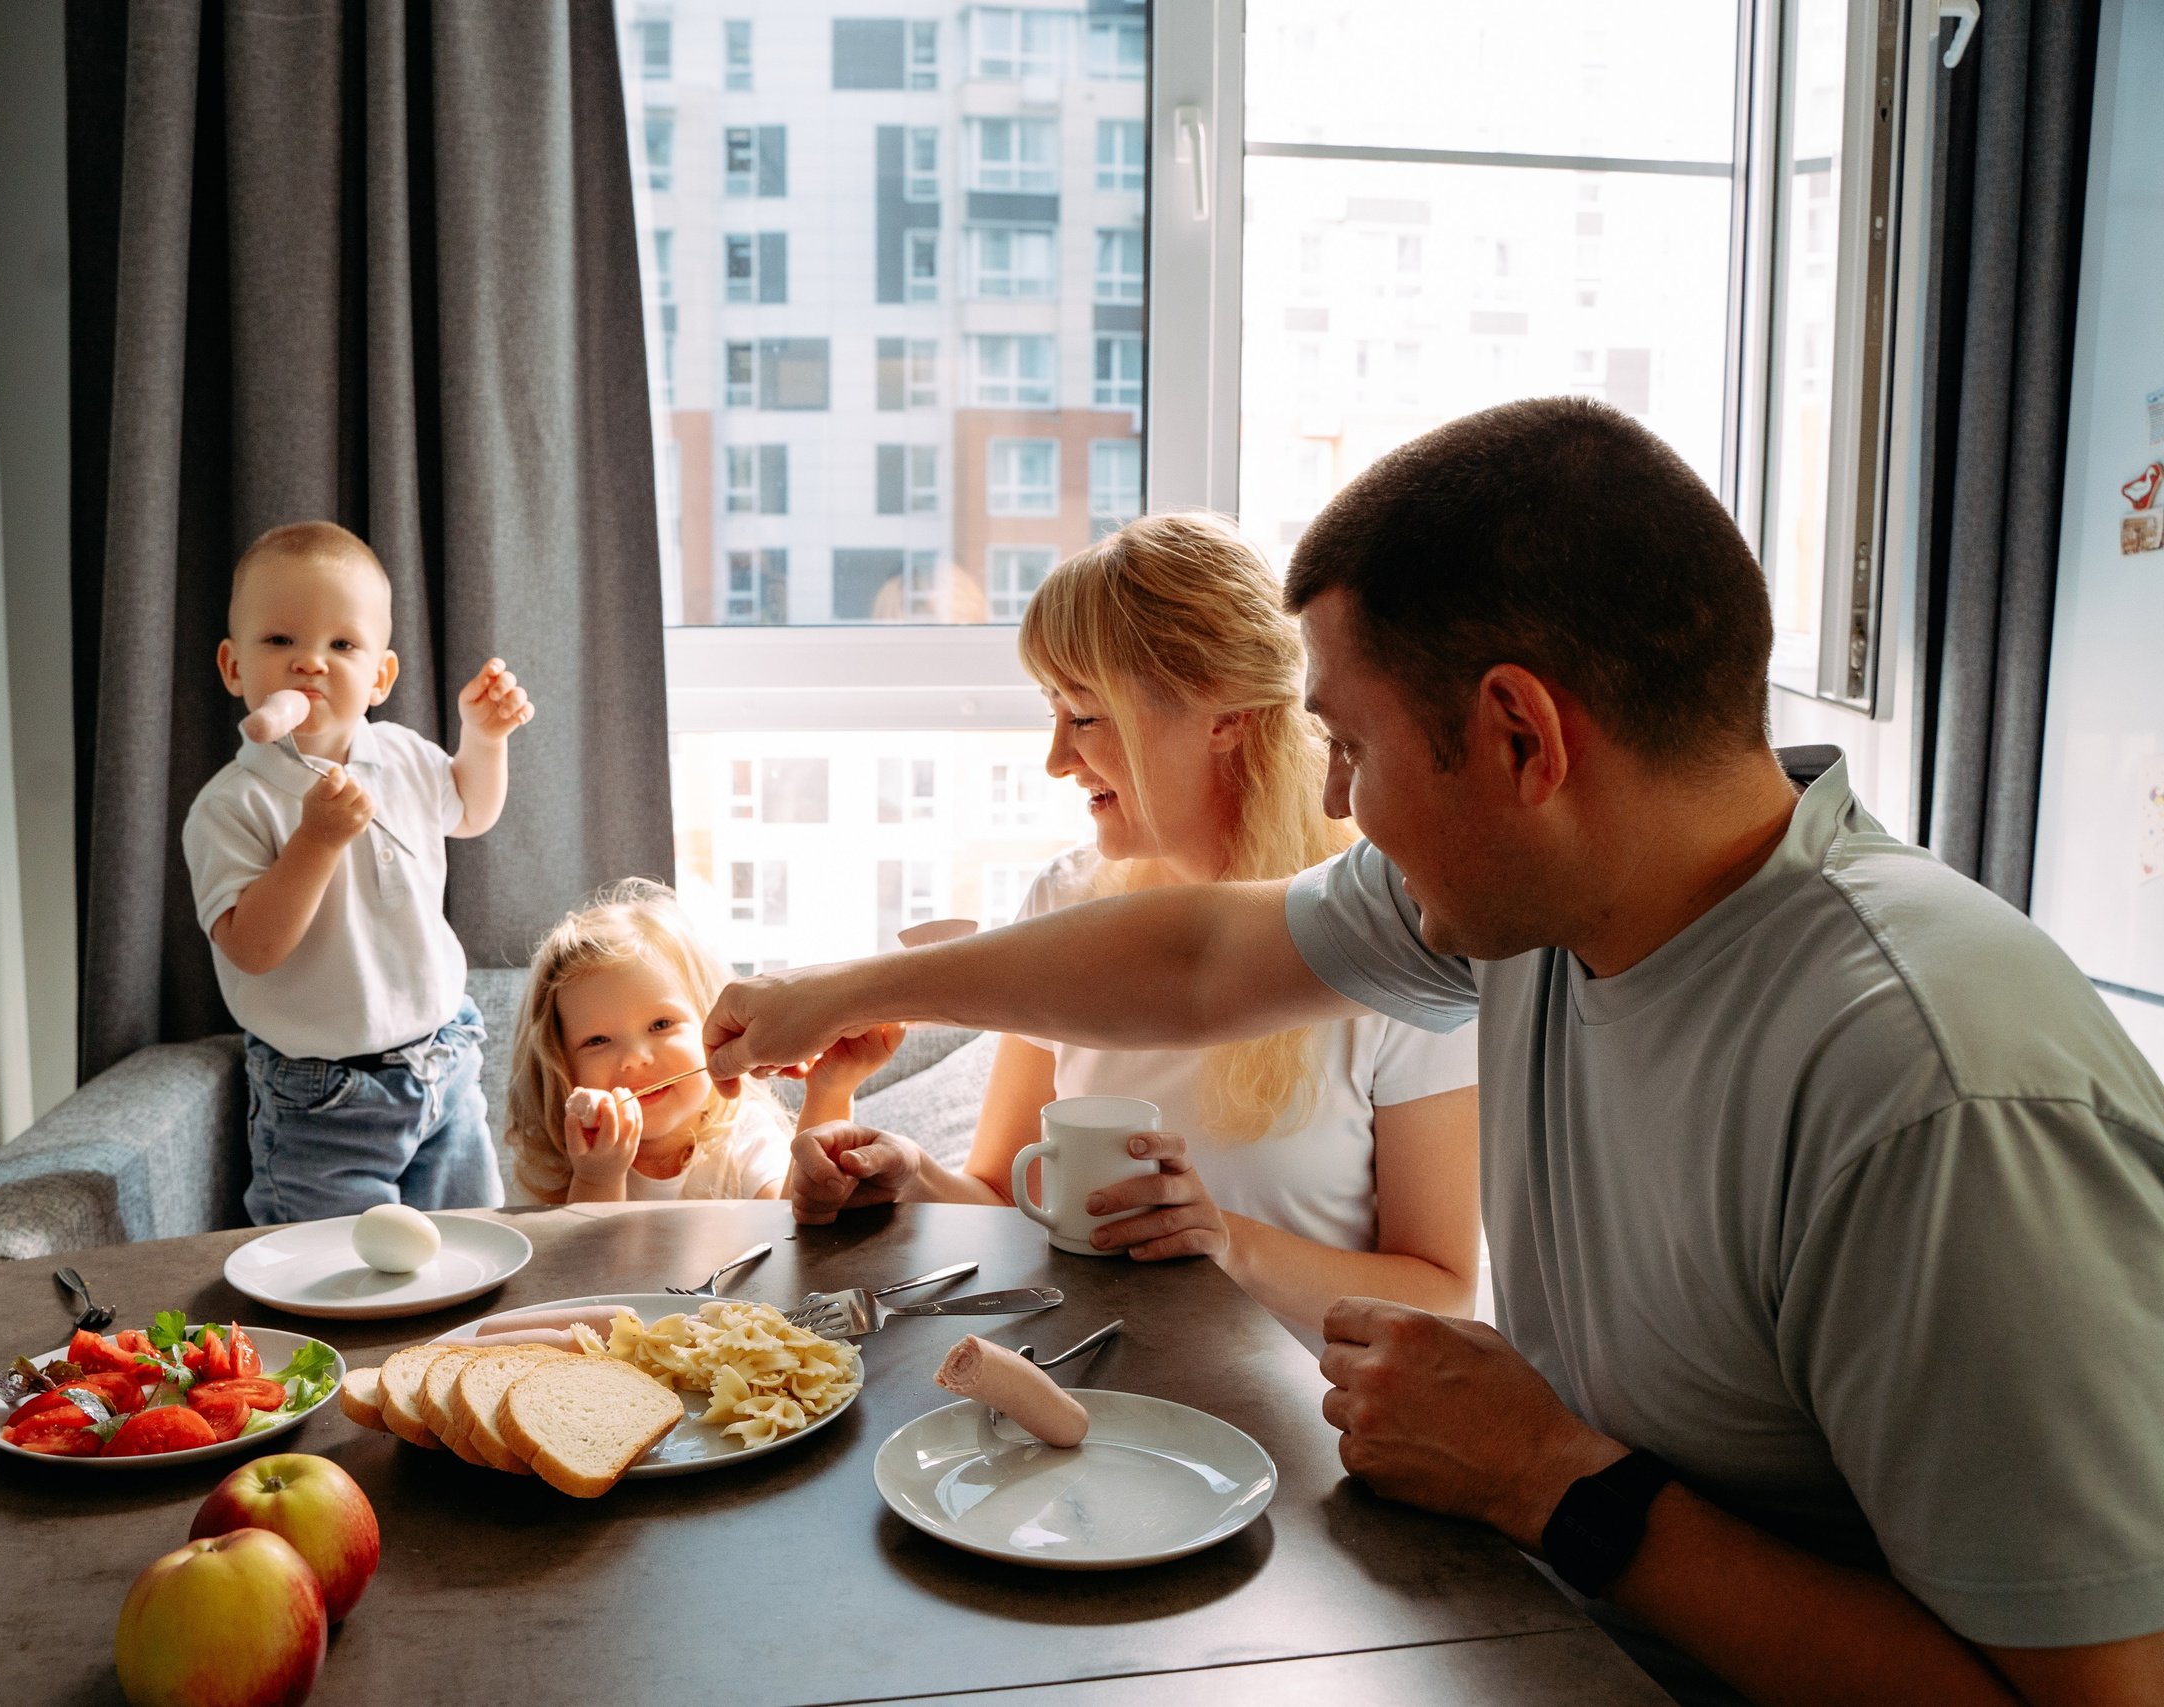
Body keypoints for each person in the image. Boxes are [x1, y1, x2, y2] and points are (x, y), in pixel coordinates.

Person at [705, 399, 2164, 1706]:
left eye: (1350, 743)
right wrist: (847, 991)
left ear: (1521, 737)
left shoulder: (1936, 1092)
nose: (1335, 798)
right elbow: (1197, 957)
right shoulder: (1541, 899)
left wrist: (1554, 1481)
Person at [786, 513, 1482, 1338]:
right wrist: (910, 1177)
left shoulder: (1393, 933)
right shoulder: (1065, 899)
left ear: (1224, 714)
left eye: (1085, 716)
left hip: (1296, 1403)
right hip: (1088, 1385)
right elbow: (1006, 1198)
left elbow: (1443, 1294)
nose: (1056, 758)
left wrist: (1228, 1243)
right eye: (1053, 710)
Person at [183, 520, 534, 1224]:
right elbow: (252, 946)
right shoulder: (232, 804)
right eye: (280, 641)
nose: (310, 664)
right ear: (233, 667)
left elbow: (471, 810)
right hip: (323, 1102)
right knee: (332, 1267)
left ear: (380, 676)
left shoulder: (404, 754)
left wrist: (484, 739)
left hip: (443, 1060)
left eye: (341, 645)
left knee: (470, 1244)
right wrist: (315, 841)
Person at [507, 878, 903, 1203]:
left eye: (661, 1024)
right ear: (559, 1063)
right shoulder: (560, 1162)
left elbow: (796, 1228)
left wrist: (830, 1090)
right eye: (597, 1040)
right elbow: (586, 1271)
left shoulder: (743, 1137)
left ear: (714, 1027)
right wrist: (597, 1179)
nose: (635, 1058)